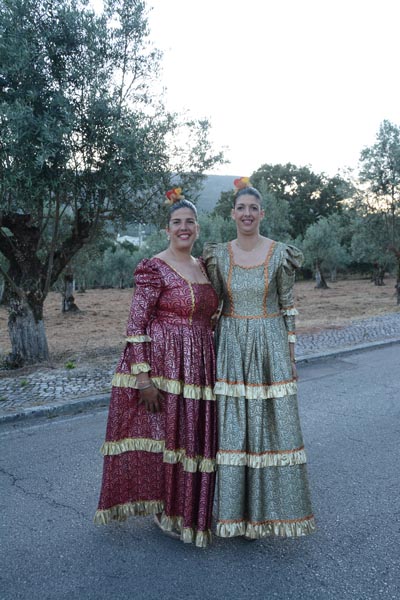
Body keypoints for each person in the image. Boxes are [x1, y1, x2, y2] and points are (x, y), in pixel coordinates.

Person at [95, 188, 219, 548]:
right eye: (177, 222)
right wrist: (143, 378)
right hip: (166, 367)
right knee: (170, 439)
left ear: (198, 228)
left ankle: (190, 508)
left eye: (190, 222)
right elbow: (136, 324)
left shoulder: (203, 267)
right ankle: (169, 510)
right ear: (167, 229)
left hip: (200, 366)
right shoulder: (154, 267)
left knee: (193, 439)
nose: (184, 227)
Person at [204, 177, 316, 540]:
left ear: (262, 213)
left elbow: (287, 305)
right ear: (232, 213)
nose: (247, 213)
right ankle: (236, 517)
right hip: (231, 345)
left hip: (270, 344)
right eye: (241, 208)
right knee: (235, 428)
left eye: (253, 208)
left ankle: (267, 515)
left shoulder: (281, 253)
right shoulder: (219, 255)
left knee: (271, 426)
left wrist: (291, 353)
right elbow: (212, 304)